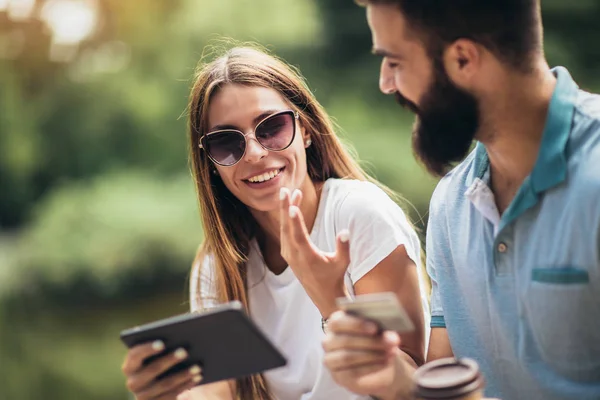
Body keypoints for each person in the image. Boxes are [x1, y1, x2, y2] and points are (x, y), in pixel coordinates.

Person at [322, 1, 600, 400]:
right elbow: (441, 379)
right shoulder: (451, 203)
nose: (385, 83)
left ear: (463, 59)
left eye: (394, 62)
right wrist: (400, 386)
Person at [121, 45, 431, 400]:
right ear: (210, 162)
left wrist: (333, 301)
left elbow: (410, 382)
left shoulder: (358, 216)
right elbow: (220, 393)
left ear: (307, 130)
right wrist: (165, 392)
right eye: (226, 143)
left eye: (271, 127)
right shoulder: (217, 266)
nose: (254, 153)